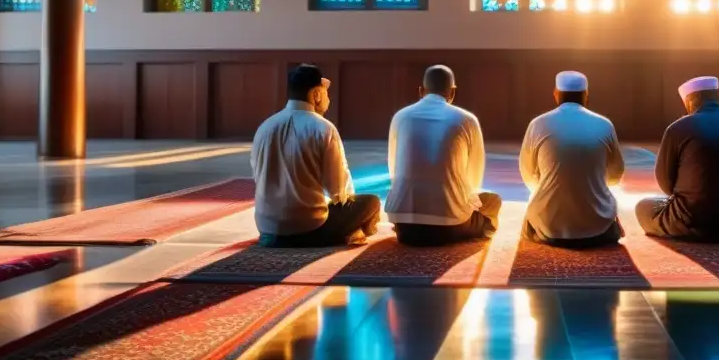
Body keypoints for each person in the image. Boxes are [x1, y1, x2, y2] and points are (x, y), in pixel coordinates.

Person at [251, 64, 381, 247]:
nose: (328, 98)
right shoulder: (322, 128)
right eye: (326, 93)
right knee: (371, 203)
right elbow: (338, 190)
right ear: (316, 95)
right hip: (310, 229)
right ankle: (349, 233)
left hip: (268, 229)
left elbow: (258, 176)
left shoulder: (265, 127)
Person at [636, 76, 719, 242]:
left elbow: (666, 183)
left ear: (691, 100)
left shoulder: (677, 128)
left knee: (643, 207)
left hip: (693, 224)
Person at [385, 65, 502, 246]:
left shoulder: (400, 117)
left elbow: (394, 171)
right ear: (453, 92)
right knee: (492, 201)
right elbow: (473, 178)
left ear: (420, 91)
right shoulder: (467, 120)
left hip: (404, 226)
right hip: (450, 227)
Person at [519, 71, 626, 247]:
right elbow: (616, 176)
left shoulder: (537, 124)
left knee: (532, 215)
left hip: (548, 228)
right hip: (598, 228)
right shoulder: (604, 124)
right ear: (586, 95)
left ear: (556, 94)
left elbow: (528, 175)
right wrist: (592, 183)